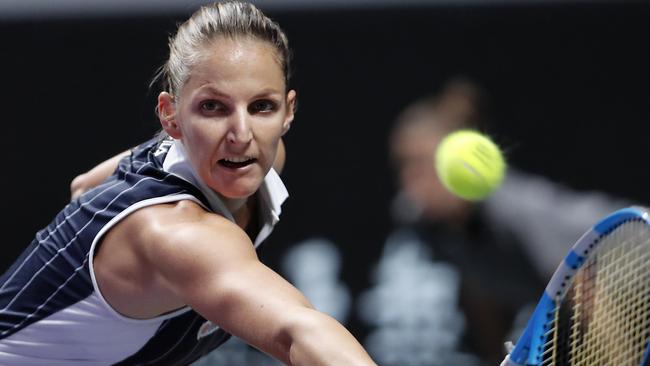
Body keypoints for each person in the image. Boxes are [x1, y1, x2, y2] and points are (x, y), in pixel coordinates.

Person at [0, 2, 377, 365]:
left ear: (288, 112)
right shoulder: (177, 234)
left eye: (262, 106)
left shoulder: (255, 162)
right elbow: (297, 331)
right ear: (170, 116)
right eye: (213, 107)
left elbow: (83, 186)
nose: (241, 134)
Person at [356, 77, 631, 366]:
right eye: (402, 163)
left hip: (629, 262)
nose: (409, 177)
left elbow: (587, 289)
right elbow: (479, 289)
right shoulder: (428, 224)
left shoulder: (511, 212)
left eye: (422, 163)